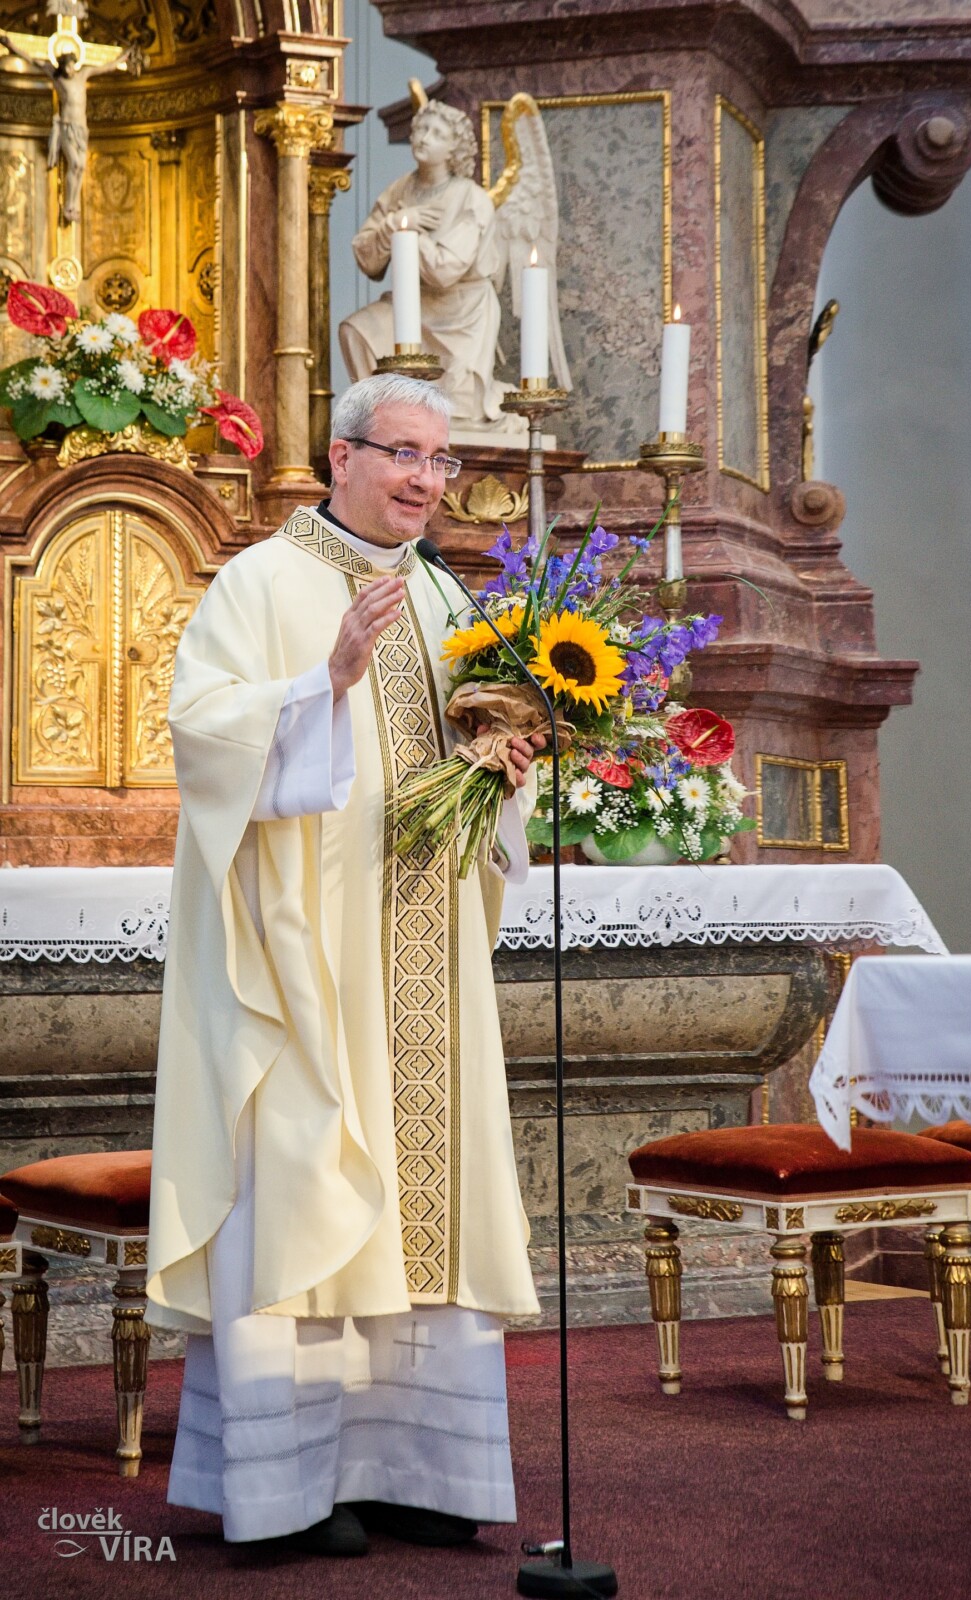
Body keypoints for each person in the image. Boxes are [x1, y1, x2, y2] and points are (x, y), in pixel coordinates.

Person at [146, 374, 543, 1557]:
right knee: (307, 1180)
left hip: (424, 949)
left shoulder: (445, 596)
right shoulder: (264, 581)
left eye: (441, 458)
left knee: (428, 1189)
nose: (427, 478)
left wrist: (506, 766)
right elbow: (200, 730)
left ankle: (417, 1472)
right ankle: (292, 1488)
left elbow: (469, 753)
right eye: (404, 453)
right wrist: (318, 682)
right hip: (304, 956)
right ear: (342, 456)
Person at [339, 100, 522, 433]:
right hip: (410, 305)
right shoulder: (400, 189)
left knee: (455, 416)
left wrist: (409, 231)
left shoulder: (471, 198)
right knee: (356, 331)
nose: (424, 137)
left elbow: (445, 271)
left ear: (454, 148)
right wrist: (394, 223)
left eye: (437, 133)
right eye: (421, 128)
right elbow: (367, 259)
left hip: (462, 312)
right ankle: (379, 421)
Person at [0, 35, 137, 224]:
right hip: (66, 127)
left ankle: (74, 206)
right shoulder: (57, 77)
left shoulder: (83, 74)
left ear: (75, 65)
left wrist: (124, 57)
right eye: (66, 67)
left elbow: (106, 67)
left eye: (72, 66)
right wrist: (11, 45)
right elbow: (32, 60)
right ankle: (69, 206)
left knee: (81, 166)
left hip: (81, 128)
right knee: (75, 163)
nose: (70, 70)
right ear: (62, 67)